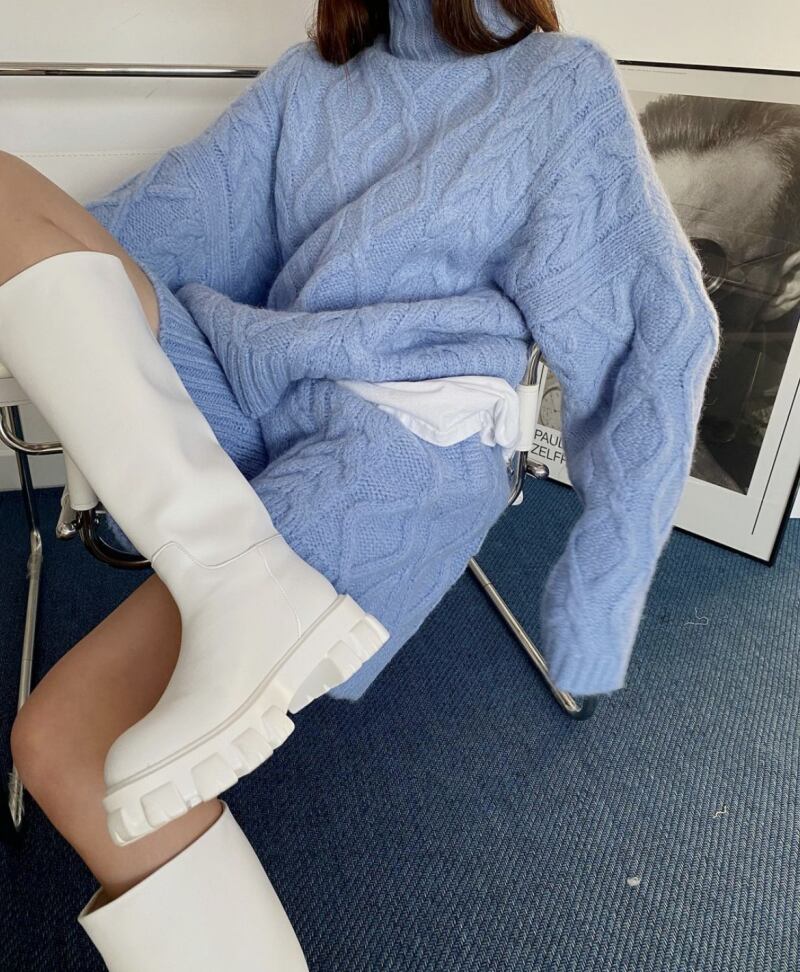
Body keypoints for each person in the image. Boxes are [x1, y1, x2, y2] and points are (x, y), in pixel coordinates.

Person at [0, 1, 720, 968]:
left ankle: (241, 586)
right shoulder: (310, 81)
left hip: (403, 445)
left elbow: (660, 337)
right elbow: (149, 229)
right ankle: (239, 582)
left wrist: (597, 602)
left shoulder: (559, 84)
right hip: (258, 388)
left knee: (62, 745)